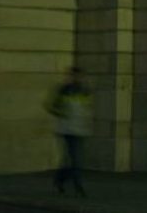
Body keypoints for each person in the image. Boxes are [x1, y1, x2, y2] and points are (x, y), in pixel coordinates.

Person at [45, 66, 92, 196]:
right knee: (76, 160)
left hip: (79, 129)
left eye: (80, 76)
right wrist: (61, 114)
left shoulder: (85, 91)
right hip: (66, 129)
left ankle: (59, 179)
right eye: (75, 76)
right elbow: (50, 106)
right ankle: (78, 186)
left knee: (72, 160)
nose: (78, 78)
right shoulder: (63, 90)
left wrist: (86, 123)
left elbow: (86, 109)